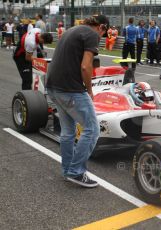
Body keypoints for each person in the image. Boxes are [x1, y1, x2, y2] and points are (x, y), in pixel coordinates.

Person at [46, 15, 109, 188]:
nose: (101, 38)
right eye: (103, 34)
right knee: (92, 129)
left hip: (53, 87)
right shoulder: (91, 34)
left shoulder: (71, 30)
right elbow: (85, 66)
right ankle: (76, 171)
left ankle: (68, 171)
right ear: (101, 27)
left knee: (68, 131)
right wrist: (89, 90)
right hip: (70, 89)